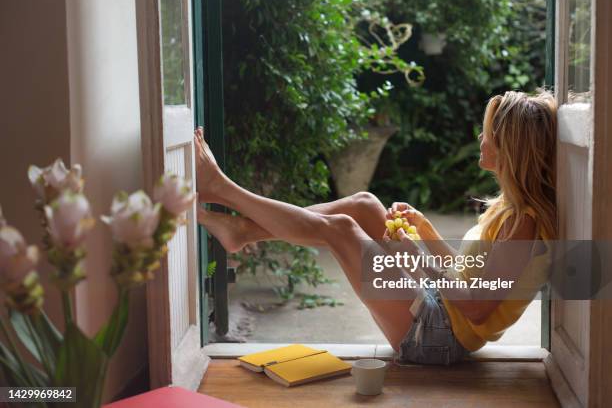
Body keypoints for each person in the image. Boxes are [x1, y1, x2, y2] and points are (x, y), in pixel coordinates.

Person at [195, 90, 557, 365]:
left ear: (510, 148)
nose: (481, 139)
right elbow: (469, 277)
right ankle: (245, 232)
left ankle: (224, 191)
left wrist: (416, 260)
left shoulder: (522, 223)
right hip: (441, 310)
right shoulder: (508, 208)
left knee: (340, 229)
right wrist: (427, 234)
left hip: (437, 337)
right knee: (364, 205)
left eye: (488, 133)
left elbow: (477, 308)